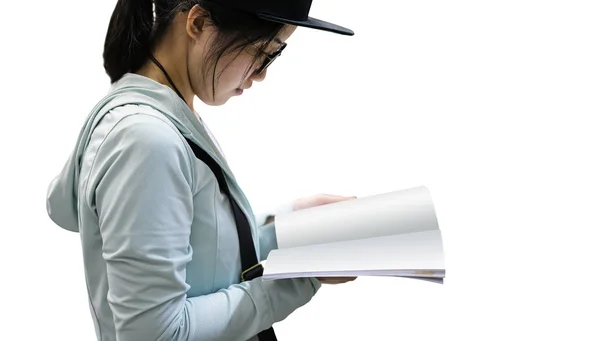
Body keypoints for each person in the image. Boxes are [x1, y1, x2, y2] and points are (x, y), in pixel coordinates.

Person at [46, 0, 357, 340]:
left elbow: (202, 251)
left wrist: (293, 226)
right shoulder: (146, 140)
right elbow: (156, 335)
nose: (262, 73)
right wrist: (298, 279)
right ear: (197, 23)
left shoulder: (165, 115)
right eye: (263, 52)